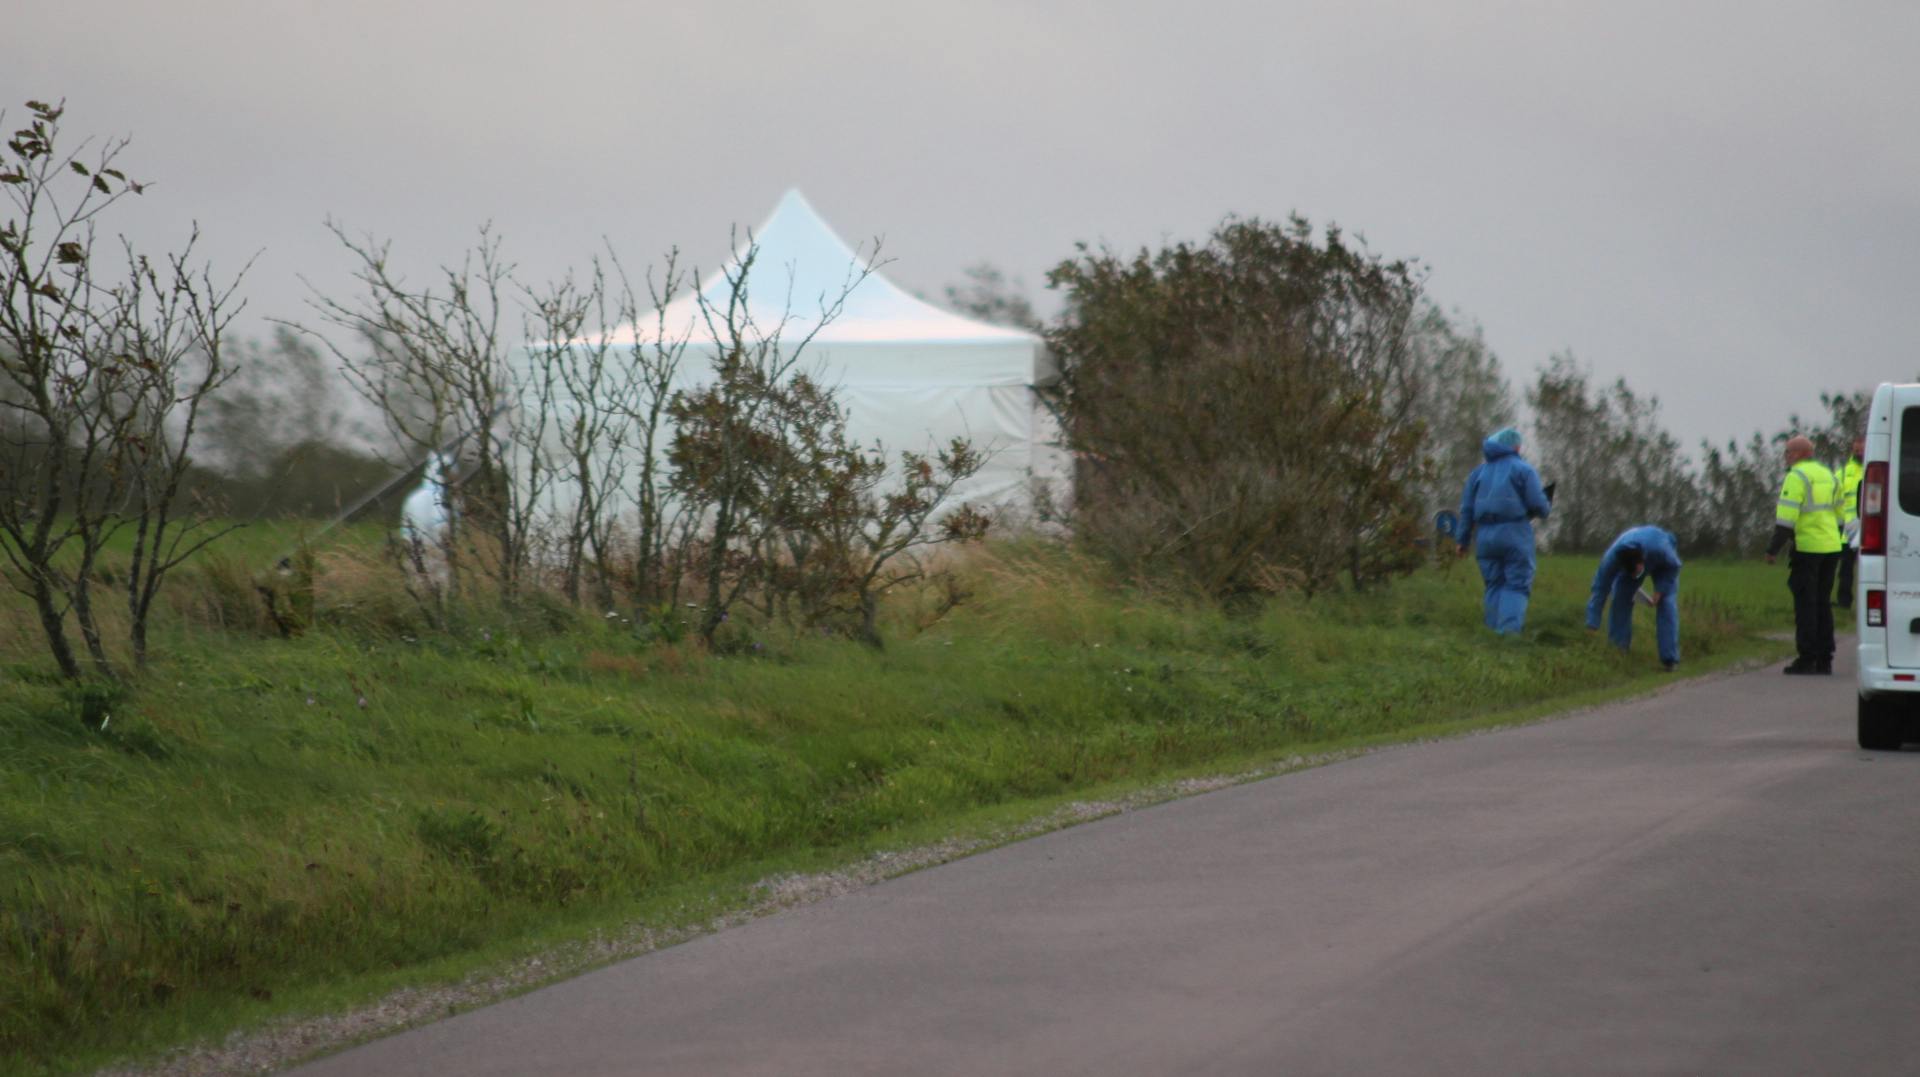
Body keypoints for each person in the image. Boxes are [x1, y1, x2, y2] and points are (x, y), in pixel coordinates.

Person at [1456, 427, 1552, 635]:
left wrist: (1462, 541)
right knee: (1516, 584)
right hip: (1514, 532)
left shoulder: (1477, 474)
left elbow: (1466, 510)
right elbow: (1539, 505)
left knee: (1493, 584)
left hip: (1484, 536)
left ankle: (1491, 634)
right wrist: (1546, 505)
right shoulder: (1523, 470)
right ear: (1515, 446)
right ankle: (1507, 636)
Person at [1765, 435, 1843, 674]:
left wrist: (1772, 550)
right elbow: (1840, 516)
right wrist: (1834, 537)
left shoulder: (1796, 477)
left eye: (1787, 453)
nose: (1785, 458)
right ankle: (1825, 658)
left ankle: (1806, 657)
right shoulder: (1828, 475)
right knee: (1823, 602)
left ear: (1797, 454)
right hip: (1832, 547)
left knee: (1805, 604)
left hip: (1808, 548)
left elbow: (1786, 519)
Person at [1586, 525, 1682, 671]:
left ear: (1641, 560)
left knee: (1666, 603)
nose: (1635, 576)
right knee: (1620, 598)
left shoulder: (1660, 548)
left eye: (1637, 571)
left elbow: (1674, 566)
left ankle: (1669, 659)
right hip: (1633, 566)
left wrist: (1660, 590)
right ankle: (1618, 650)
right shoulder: (1611, 559)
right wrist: (1592, 622)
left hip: (1665, 568)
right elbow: (1600, 588)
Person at [1834, 434, 1865, 609]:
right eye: (1856, 448)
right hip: (1848, 529)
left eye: (1861, 448)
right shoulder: (1843, 473)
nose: (1858, 451)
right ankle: (1844, 602)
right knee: (1845, 569)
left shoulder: (1876, 468)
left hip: (1871, 527)